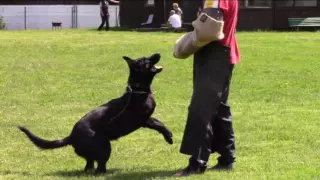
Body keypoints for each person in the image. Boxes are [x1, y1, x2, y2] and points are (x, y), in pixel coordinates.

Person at [174, 0, 241, 177]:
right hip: (222, 55)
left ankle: (197, 164)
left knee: (201, 110)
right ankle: (226, 159)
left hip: (215, 56)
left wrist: (187, 44)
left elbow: (210, 28)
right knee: (219, 109)